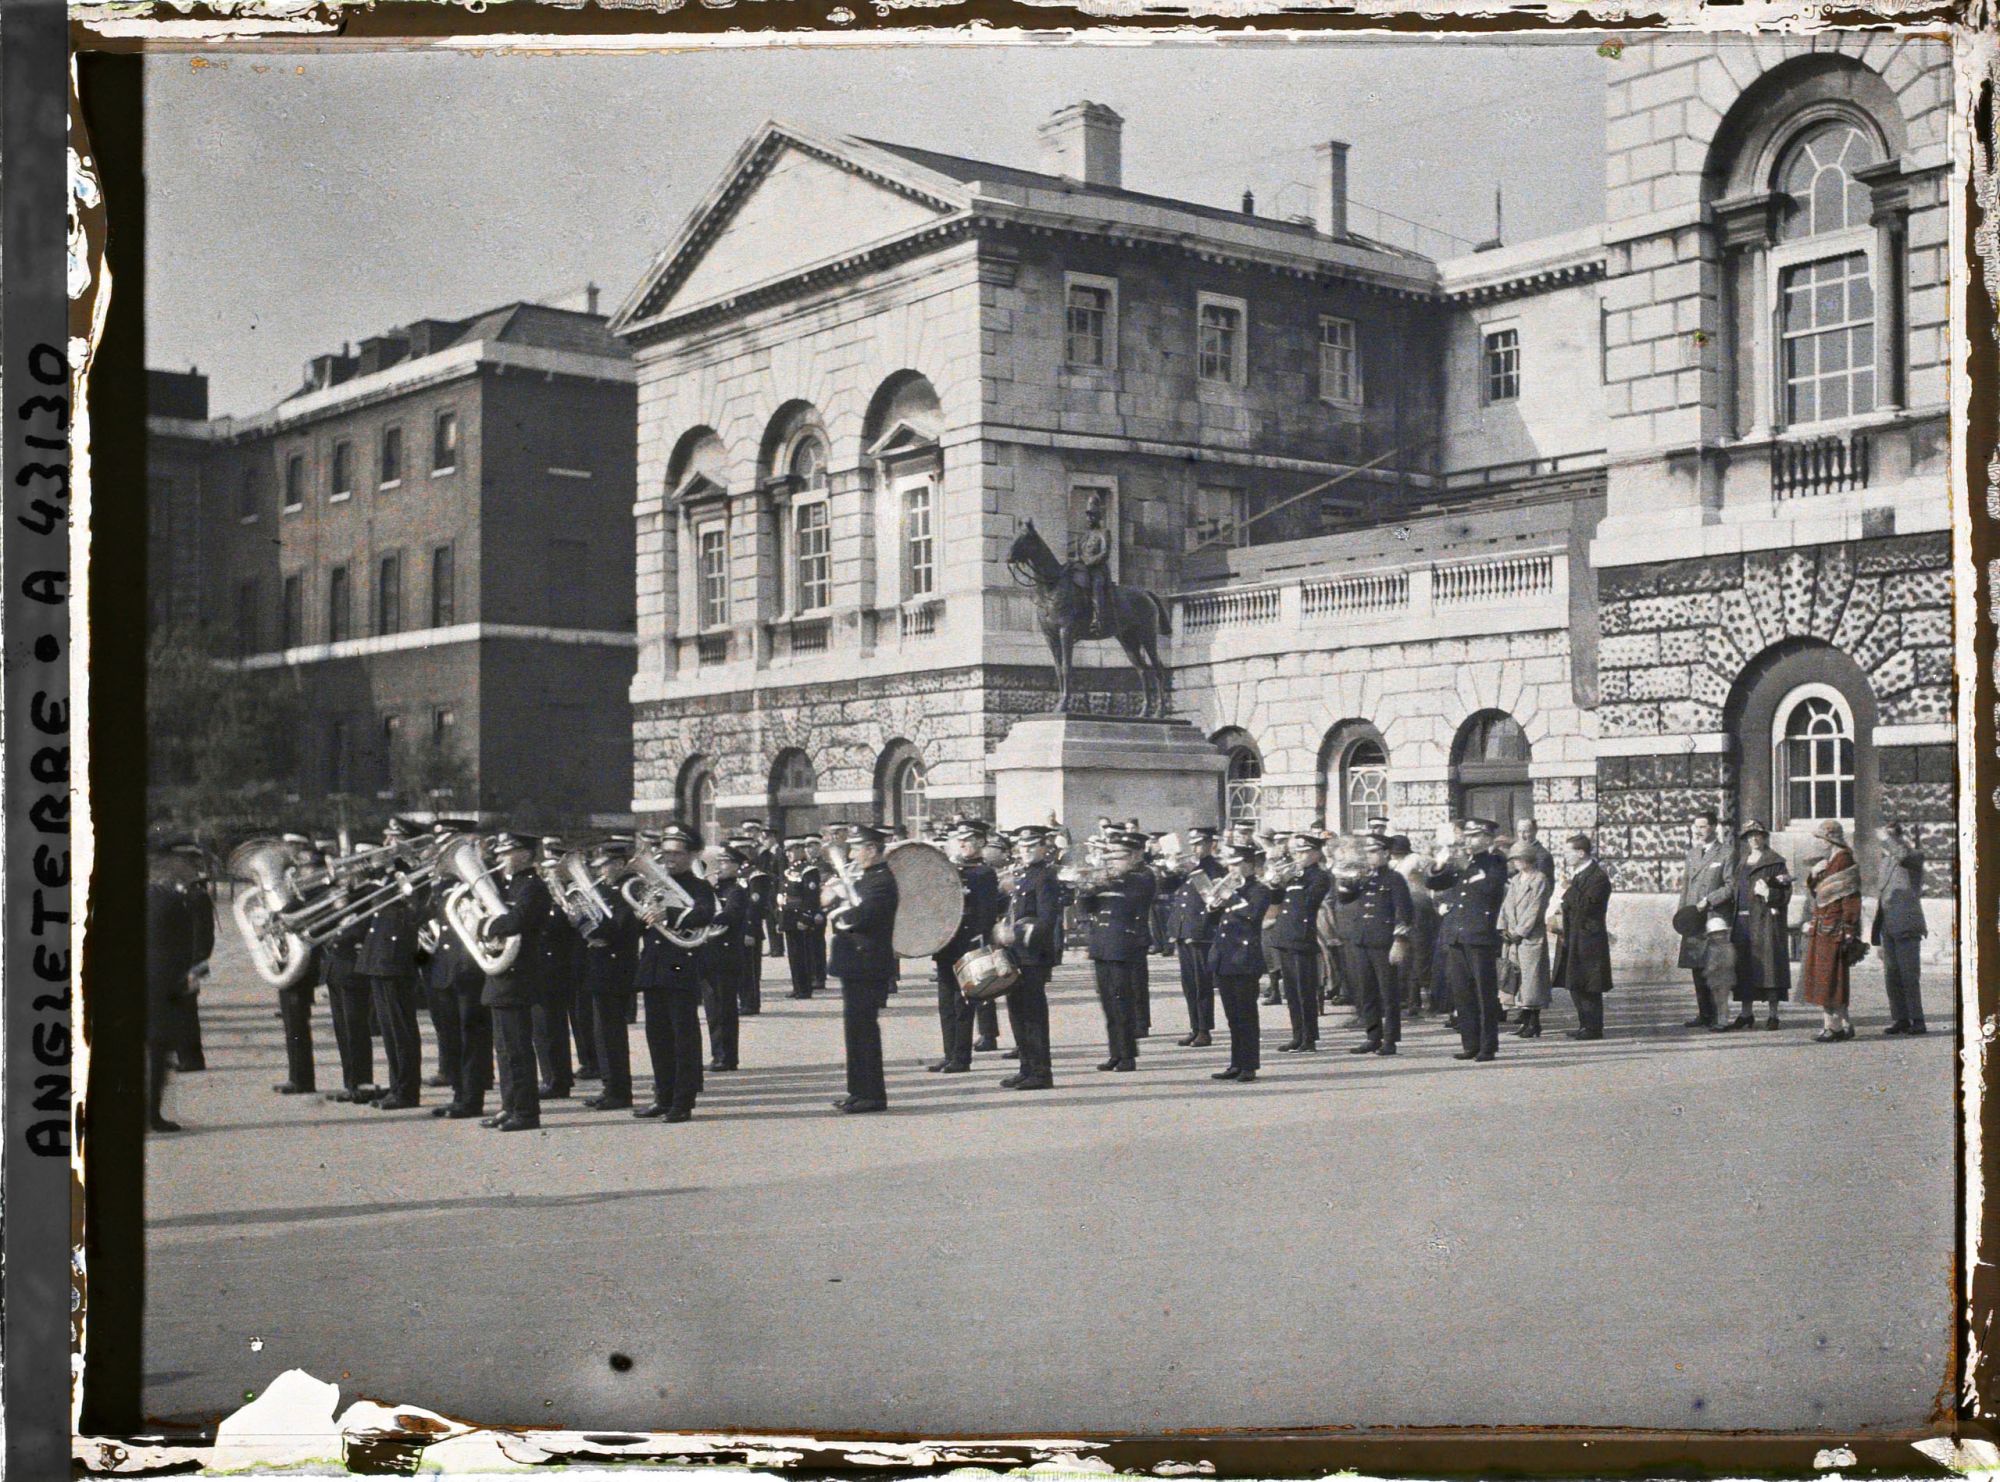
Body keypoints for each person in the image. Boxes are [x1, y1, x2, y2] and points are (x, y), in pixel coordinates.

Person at [632, 825, 717, 1122]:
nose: (669, 858)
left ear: (692, 855)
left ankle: (682, 1101)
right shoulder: (653, 884)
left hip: (680, 966)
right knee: (657, 1036)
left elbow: (706, 912)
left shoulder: (699, 886)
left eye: (677, 853)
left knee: (683, 1036)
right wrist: (641, 913)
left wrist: (669, 915)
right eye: (666, 852)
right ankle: (663, 1096)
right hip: (654, 966)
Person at [480, 831, 555, 1131]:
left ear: (524, 854)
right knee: (503, 1048)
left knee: (518, 1049)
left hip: (519, 976)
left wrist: (486, 925)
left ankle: (525, 1112)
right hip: (502, 976)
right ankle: (509, 1104)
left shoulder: (533, 887)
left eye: (506, 853)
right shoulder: (509, 886)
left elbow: (517, 921)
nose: (499, 859)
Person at [827, 823, 900, 1113]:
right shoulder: (868, 877)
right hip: (857, 963)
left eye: (857, 848)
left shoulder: (881, 880)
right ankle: (859, 1090)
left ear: (872, 849)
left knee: (864, 1031)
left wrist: (839, 912)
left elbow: (863, 916)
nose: (853, 854)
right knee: (855, 1030)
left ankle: (872, 1095)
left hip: (866, 963)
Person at [425, 822, 495, 1120]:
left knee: (472, 1037)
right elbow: (425, 917)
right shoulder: (441, 885)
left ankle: (472, 1098)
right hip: (445, 968)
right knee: (452, 1036)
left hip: (468, 969)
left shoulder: (482, 882)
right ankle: (459, 1094)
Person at [356, 820, 425, 1111]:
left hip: (395, 957)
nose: (386, 842)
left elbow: (417, 909)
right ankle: (397, 1085)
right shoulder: (387, 873)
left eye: (394, 838)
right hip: (379, 957)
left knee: (401, 1029)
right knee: (388, 1028)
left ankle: (407, 1090)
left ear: (407, 842)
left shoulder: (413, 873)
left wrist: (402, 873)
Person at [145, 831, 210, 1133]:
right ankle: (151, 1115)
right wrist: (192, 974)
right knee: (156, 1051)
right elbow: (189, 942)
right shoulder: (175, 899)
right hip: (163, 983)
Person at [1429, 818, 1508, 1062]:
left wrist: (1464, 865)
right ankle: (1470, 1043)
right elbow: (1433, 882)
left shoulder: (1495, 862)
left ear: (1487, 839)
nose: (1469, 841)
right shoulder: (1465, 862)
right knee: (1461, 992)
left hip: (1480, 934)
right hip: (1456, 933)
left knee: (1484, 993)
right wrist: (1439, 864)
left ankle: (1487, 1045)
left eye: (1474, 836)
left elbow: (1490, 890)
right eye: (1468, 836)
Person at [1079, 831, 1157, 1071]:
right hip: (1102, 944)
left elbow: (1137, 896)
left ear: (1133, 857)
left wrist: (1106, 880)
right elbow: (1085, 908)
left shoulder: (1142, 876)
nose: (1111, 862)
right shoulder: (1108, 878)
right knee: (1107, 1002)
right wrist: (1085, 890)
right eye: (1109, 857)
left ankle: (1127, 1054)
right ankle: (1115, 1051)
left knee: (1122, 1000)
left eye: (1118, 857)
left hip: (1124, 944)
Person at [929, 821, 1002, 1073]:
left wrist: (978, 942)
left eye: (969, 840)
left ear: (981, 842)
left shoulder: (984, 873)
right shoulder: (952, 869)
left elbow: (986, 914)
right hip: (946, 944)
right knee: (945, 1004)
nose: (963, 844)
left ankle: (961, 1057)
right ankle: (949, 1054)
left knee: (962, 1004)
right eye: (960, 840)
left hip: (967, 945)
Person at [995, 826, 1062, 1090]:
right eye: (1022, 847)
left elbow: (1047, 920)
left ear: (1044, 848)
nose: (1026, 851)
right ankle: (1026, 1067)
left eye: (1032, 846)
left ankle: (1041, 1072)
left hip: (1032, 955)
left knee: (1033, 1015)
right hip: (1017, 955)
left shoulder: (1045, 877)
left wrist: (1016, 933)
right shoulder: (1023, 876)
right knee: (1017, 1013)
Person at [579, 844, 641, 1111]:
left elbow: (620, 927)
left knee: (611, 1034)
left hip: (618, 969)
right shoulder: (602, 889)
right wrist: (582, 924)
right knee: (601, 1033)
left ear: (619, 864)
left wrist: (592, 929)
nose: (601, 871)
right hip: (599, 967)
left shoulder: (631, 889)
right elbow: (587, 923)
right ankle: (610, 1087)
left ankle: (619, 1091)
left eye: (606, 865)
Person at [1342, 833, 1414, 1055]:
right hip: (1363, 940)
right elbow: (1344, 897)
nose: (1370, 856)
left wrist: (1399, 940)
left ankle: (1390, 1040)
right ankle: (1372, 1036)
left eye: (1374, 852)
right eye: (1368, 852)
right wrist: (1348, 879)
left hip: (1384, 942)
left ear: (1385, 853)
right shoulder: (1364, 877)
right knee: (1366, 991)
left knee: (1388, 993)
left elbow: (1405, 912)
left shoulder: (1395, 879)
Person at [1206, 843, 1273, 1082]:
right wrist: (1213, 905)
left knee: (1246, 1014)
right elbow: (1215, 921)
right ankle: (1236, 1062)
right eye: (1230, 864)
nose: (1231, 869)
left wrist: (1230, 898)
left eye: (1236, 864)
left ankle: (1249, 1064)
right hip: (1225, 957)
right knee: (1232, 1016)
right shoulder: (1231, 890)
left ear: (1249, 865)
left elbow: (1252, 914)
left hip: (1244, 959)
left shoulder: (1259, 890)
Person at [1267, 832, 1332, 1053]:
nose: (1300, 856)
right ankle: (1297, 1034)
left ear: (1316, 854)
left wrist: (1296, 876)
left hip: (1302, 936)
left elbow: (1309, 901)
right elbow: (1276, 902)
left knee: (1305, 990)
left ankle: (1309, 1037)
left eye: (1304, 852)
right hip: (1285, 934)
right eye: (1298, 852)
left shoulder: (1319, 877)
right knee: (1291, 991)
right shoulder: (1294, 876)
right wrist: (1276, 884)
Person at [1800, 819, 1863, 1042]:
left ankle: (1832, 1027)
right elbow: (1817, 893)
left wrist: (1848, 928)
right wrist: (1814, 874)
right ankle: (1845, 1024)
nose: (1818, 844)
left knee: (1829, 978)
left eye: (1820, 839)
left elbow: (1850, 898)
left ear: (1830, 840)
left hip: (1833, 928)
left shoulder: (1843, 861)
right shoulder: (1830, 861)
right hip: (1824, 926)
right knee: (1829, 976)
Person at [1727, 822, 1791, 1031]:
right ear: (1745, 839)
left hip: (1765, 922)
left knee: (1770, 967)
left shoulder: (1775, 862)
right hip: (1742, 923)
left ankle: (1773, 1015)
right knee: (1744, 968)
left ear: (1765, 837)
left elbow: (1785, 894)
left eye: (1758, 835)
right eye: (1749, 836)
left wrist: (1769, 894)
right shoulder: (1742, 862)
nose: (1754, 839)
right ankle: (1746, 1014)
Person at [1677, 809, 1736, 1029]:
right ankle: (1704, 1013)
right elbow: (1686, 887)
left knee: (1717, 969)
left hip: (1714, 918)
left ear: (1714, 827)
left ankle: (1721, 1018)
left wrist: (1709, 900)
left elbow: (1731, 887)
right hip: (1694, 920)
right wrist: (1682, 916)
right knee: (1696, 967)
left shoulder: (1726, 853)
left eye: (1703, 826)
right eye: (1696, 827)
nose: (1698, 831)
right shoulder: (1692, 854)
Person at [1549, 833, 1612, 1039]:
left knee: (1589, 984)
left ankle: (1593, 1028)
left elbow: (1587, 906)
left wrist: (1568, 889)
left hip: (1588, 939)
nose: (1565, 856)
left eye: (1568, 852)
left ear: (1581, 853)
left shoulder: (1598, 877)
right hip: (1574, 937)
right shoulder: (1580, 874)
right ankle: (1584, 1025)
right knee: (1576, 983)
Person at [1168, 826, 1223, 1046]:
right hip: (1184, 930)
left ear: (1211, 845)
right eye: (1192, 844)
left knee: (1202, 984)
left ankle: (1204, 1029)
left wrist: (1194, 870)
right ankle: (1194, 1026)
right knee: (1189, 983)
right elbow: (1167, 888)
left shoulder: (1214, 869)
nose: (1194, 848)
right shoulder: (1188, 868)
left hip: (1201, 933)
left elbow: (1214, 900)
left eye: (1199, 844)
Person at [1872, 822, 1929, 1035]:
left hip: (1907, 925)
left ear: (1898, 838)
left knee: (1909, 976)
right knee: (1892, 976)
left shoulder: (1914, 857)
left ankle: (1918, 1020)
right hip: (1888, 925)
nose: (1884, 844)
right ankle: (1901, 1018)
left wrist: (1889, 838)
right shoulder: (1886, 862)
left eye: (1889, 839)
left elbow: (1903, 856)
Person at [701, 845, 750, 1072]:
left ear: (737, 867)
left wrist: (701, 915)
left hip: (726, 957)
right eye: (718, 862)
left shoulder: (736, 891)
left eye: (725, 863)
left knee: (725, 1010)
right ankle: (718, 1053)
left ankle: (728, 1057)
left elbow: (729, 916)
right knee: (712, 1010)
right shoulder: (713, 889)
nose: (719, 867)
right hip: (710, 955)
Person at [1497, 838, 1553, 1039]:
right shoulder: (1515, 880)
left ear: (1528, 859)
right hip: (1512, 938)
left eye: (1519, 859)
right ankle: (1525, 1021)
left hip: (1529, 938)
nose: (1516, 863)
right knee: (1517, 980)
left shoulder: (1539, 880)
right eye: (1514, 860)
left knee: (1532, 981)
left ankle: (1534, 1022)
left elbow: (1536, 909)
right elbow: (1506, 905)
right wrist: (1502, 926)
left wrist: (1520, 932)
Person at [1389, 834, 1434, 1019]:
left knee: (1418, 955)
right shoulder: (1399, 863)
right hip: (1406, 908)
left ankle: (1421, 1000)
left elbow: (1430, 865)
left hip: (1417, 908)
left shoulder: (1413, 860)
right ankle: (1412, 999)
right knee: (1408, 956)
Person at [779, 838, 825, 999]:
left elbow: (811, 896)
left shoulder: (809, 870)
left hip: (800, 916)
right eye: (787, 851)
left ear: (800, 850)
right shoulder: (789, 870)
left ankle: (805, 988)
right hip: (789, 916)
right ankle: (797, 986)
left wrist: (806, 917)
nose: (789, 854)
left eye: (792, 850)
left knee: (803, 954)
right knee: (793, 954)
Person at [1077, 489, 1113, 636]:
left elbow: (1105, 553)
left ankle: (1098, 620)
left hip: (1098, 570)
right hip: (1083, 568)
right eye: (1088, 515)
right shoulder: (1085, 535)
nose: (1089, 518)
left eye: (1092, 515)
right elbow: (1079, 553)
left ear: (1098, 517)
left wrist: (1089, 562)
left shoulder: (1103, 533)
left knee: (1096, 586)